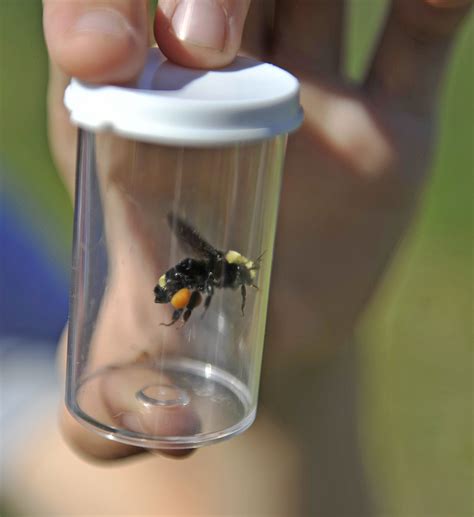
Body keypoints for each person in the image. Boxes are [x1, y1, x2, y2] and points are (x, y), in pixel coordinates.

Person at [11, 0, 471, 515]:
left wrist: (285, 378)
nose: (247, 277)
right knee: (190, 286)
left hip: (203, 333)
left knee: (191, 289)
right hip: (178, 283)